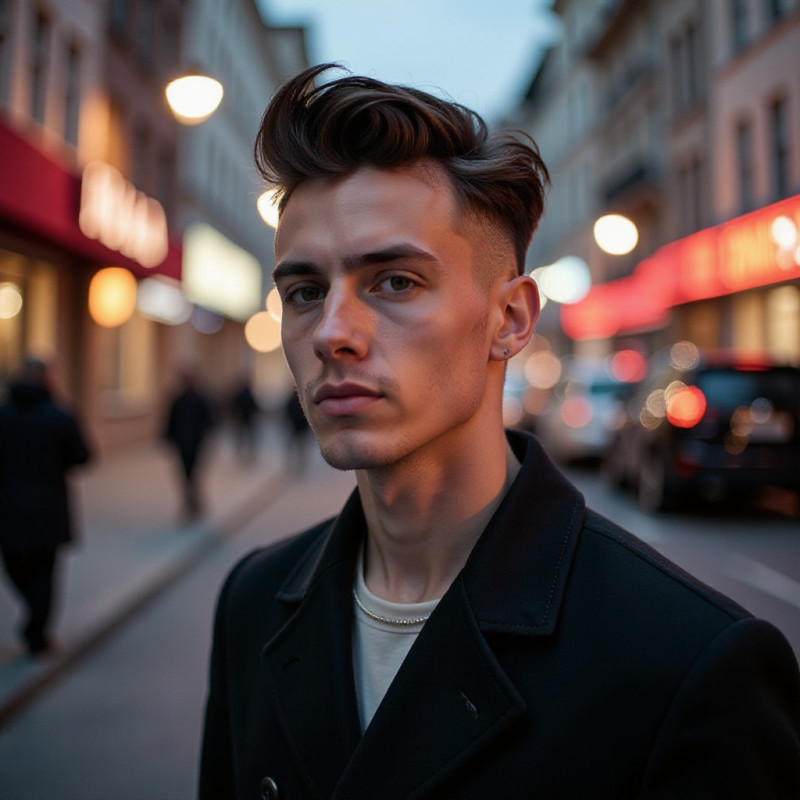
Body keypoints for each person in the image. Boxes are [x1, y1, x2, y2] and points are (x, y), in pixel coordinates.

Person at [199, 64, 800, 799]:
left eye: (395, 281)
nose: (332, 334)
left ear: (510, 319)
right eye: (304, 291)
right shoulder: (252, 604)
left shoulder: (686, 661)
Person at [0, 357, 92, 656]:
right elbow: (82, 456)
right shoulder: (59, 416)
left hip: (8, 509)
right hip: (47, 509)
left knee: (15, 567)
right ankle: (36, 632)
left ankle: (34, 627)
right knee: (44, 573)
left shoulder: (4, 416)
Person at [163, 370, 214, 520]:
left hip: (196, 443)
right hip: (181, 443)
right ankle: (190, 503)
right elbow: (170, 420)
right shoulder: (178, 400)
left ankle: (195, 503)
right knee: (184, 475)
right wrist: (168, 438)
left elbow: (209, 420)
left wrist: (201, 434)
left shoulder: (200, 399)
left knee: (194, 474)